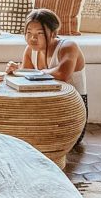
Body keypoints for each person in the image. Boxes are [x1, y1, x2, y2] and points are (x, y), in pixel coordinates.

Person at [5, 8, 88, 143]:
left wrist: (27, 72)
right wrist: (15, 70)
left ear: (53, 34)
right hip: (46, 106)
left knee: (41, 140)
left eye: (40, 33)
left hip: (73, 110)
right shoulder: (30, 50)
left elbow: (62, 74)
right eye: (29, 32)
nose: (33, 38)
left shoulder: (68, 46)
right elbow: (27, 82)